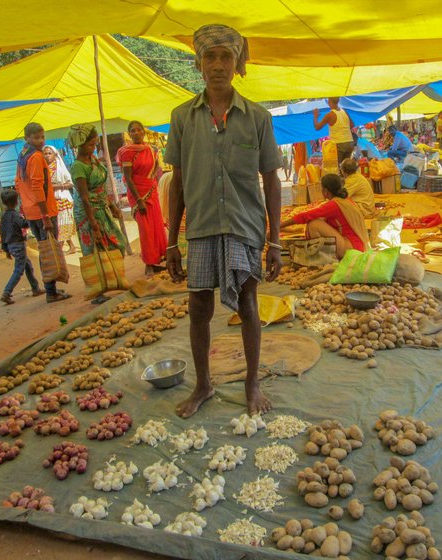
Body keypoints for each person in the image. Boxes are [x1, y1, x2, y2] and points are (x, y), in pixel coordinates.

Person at [165, 23, 282, 418]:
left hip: (245, 224)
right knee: (198, 306)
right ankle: (203, 384)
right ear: (199, 65)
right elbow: (177, 183)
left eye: (225, 57)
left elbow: (272, 180)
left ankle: (252, 383)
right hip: (200, 226)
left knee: (248, 303)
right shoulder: (182, 118)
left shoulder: (258, 117)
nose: (217, 65)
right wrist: (170, 242)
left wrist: (277, 241)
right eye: (210, 57)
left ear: (236, 64)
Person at [68, 124, 127, 304]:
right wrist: (92, 223)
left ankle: (112, 282)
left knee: (117, 243)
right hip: (88, 213)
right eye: (89, 145)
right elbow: (84, 197)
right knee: (94, 250)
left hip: (102, 208)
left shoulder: (93, 161)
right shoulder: (78, 167)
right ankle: (97, 292)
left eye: (94, 144)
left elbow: (101, 188)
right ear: (80, 145)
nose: (93, 148)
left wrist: (112, 205)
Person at [14, 122, 71, 303]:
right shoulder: (36, 157)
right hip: (43, 211)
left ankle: (50, 289)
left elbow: (18, 183)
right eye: (36, 137)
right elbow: (38, 186)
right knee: (50, 249)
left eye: (42, 137)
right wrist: (46, 216)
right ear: (27, 138)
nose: (40, 141)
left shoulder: (23, 156)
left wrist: (27, 204)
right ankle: (50, 291)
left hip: (32, 212)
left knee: (44, 249)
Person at [116, 121, 168, 276]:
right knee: (145, 229)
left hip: (151, 191)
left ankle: (157, 259)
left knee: (156, 225)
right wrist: (139, 200)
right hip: (138, 194)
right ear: (129, 134)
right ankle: (148, 264)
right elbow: (128, 178)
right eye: (133, 131)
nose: (136, 133)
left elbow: (156, 170)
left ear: (143, 133)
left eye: (139, 130)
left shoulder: (151, 150)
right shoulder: (126, 152)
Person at [280, 173, 369, 259]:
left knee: (313, 224)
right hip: (358, 246)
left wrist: (279, 226)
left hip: (351, 248)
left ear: (325, 191)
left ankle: (320, 257)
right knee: (319, 220)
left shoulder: (334, 204)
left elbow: (306, 216)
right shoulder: (346, 201)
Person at [0, 190, 44, 304]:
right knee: (19, 270)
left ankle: (35, 288)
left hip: (10, 245)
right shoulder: (15, 215)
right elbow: (23, 224)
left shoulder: (4, 217)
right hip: (18, 244)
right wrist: (30, 217)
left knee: (28, 266)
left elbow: (2, 233)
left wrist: (6, 250)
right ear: (15, 202)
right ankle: (7, 292)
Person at [43, 145, 77, 255]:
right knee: (59, 225)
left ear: (55, 155)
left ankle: (60, 249)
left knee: (62, 223)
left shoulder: (60, 168)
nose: (47, 156)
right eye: (45, 154)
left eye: (49, 153)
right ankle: (71, 246)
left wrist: (58, 187)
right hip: (51, 200)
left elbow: (71, 183)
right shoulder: (44, 169)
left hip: (62, 198)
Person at [313, 97, 355, 165]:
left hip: (338, 143)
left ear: (329, 102)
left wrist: (315, 116)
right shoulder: (344, 111)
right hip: (349, 142)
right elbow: (352, 125)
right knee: (346, 167)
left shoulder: (330, 115)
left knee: (336, 167)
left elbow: (317, 127)